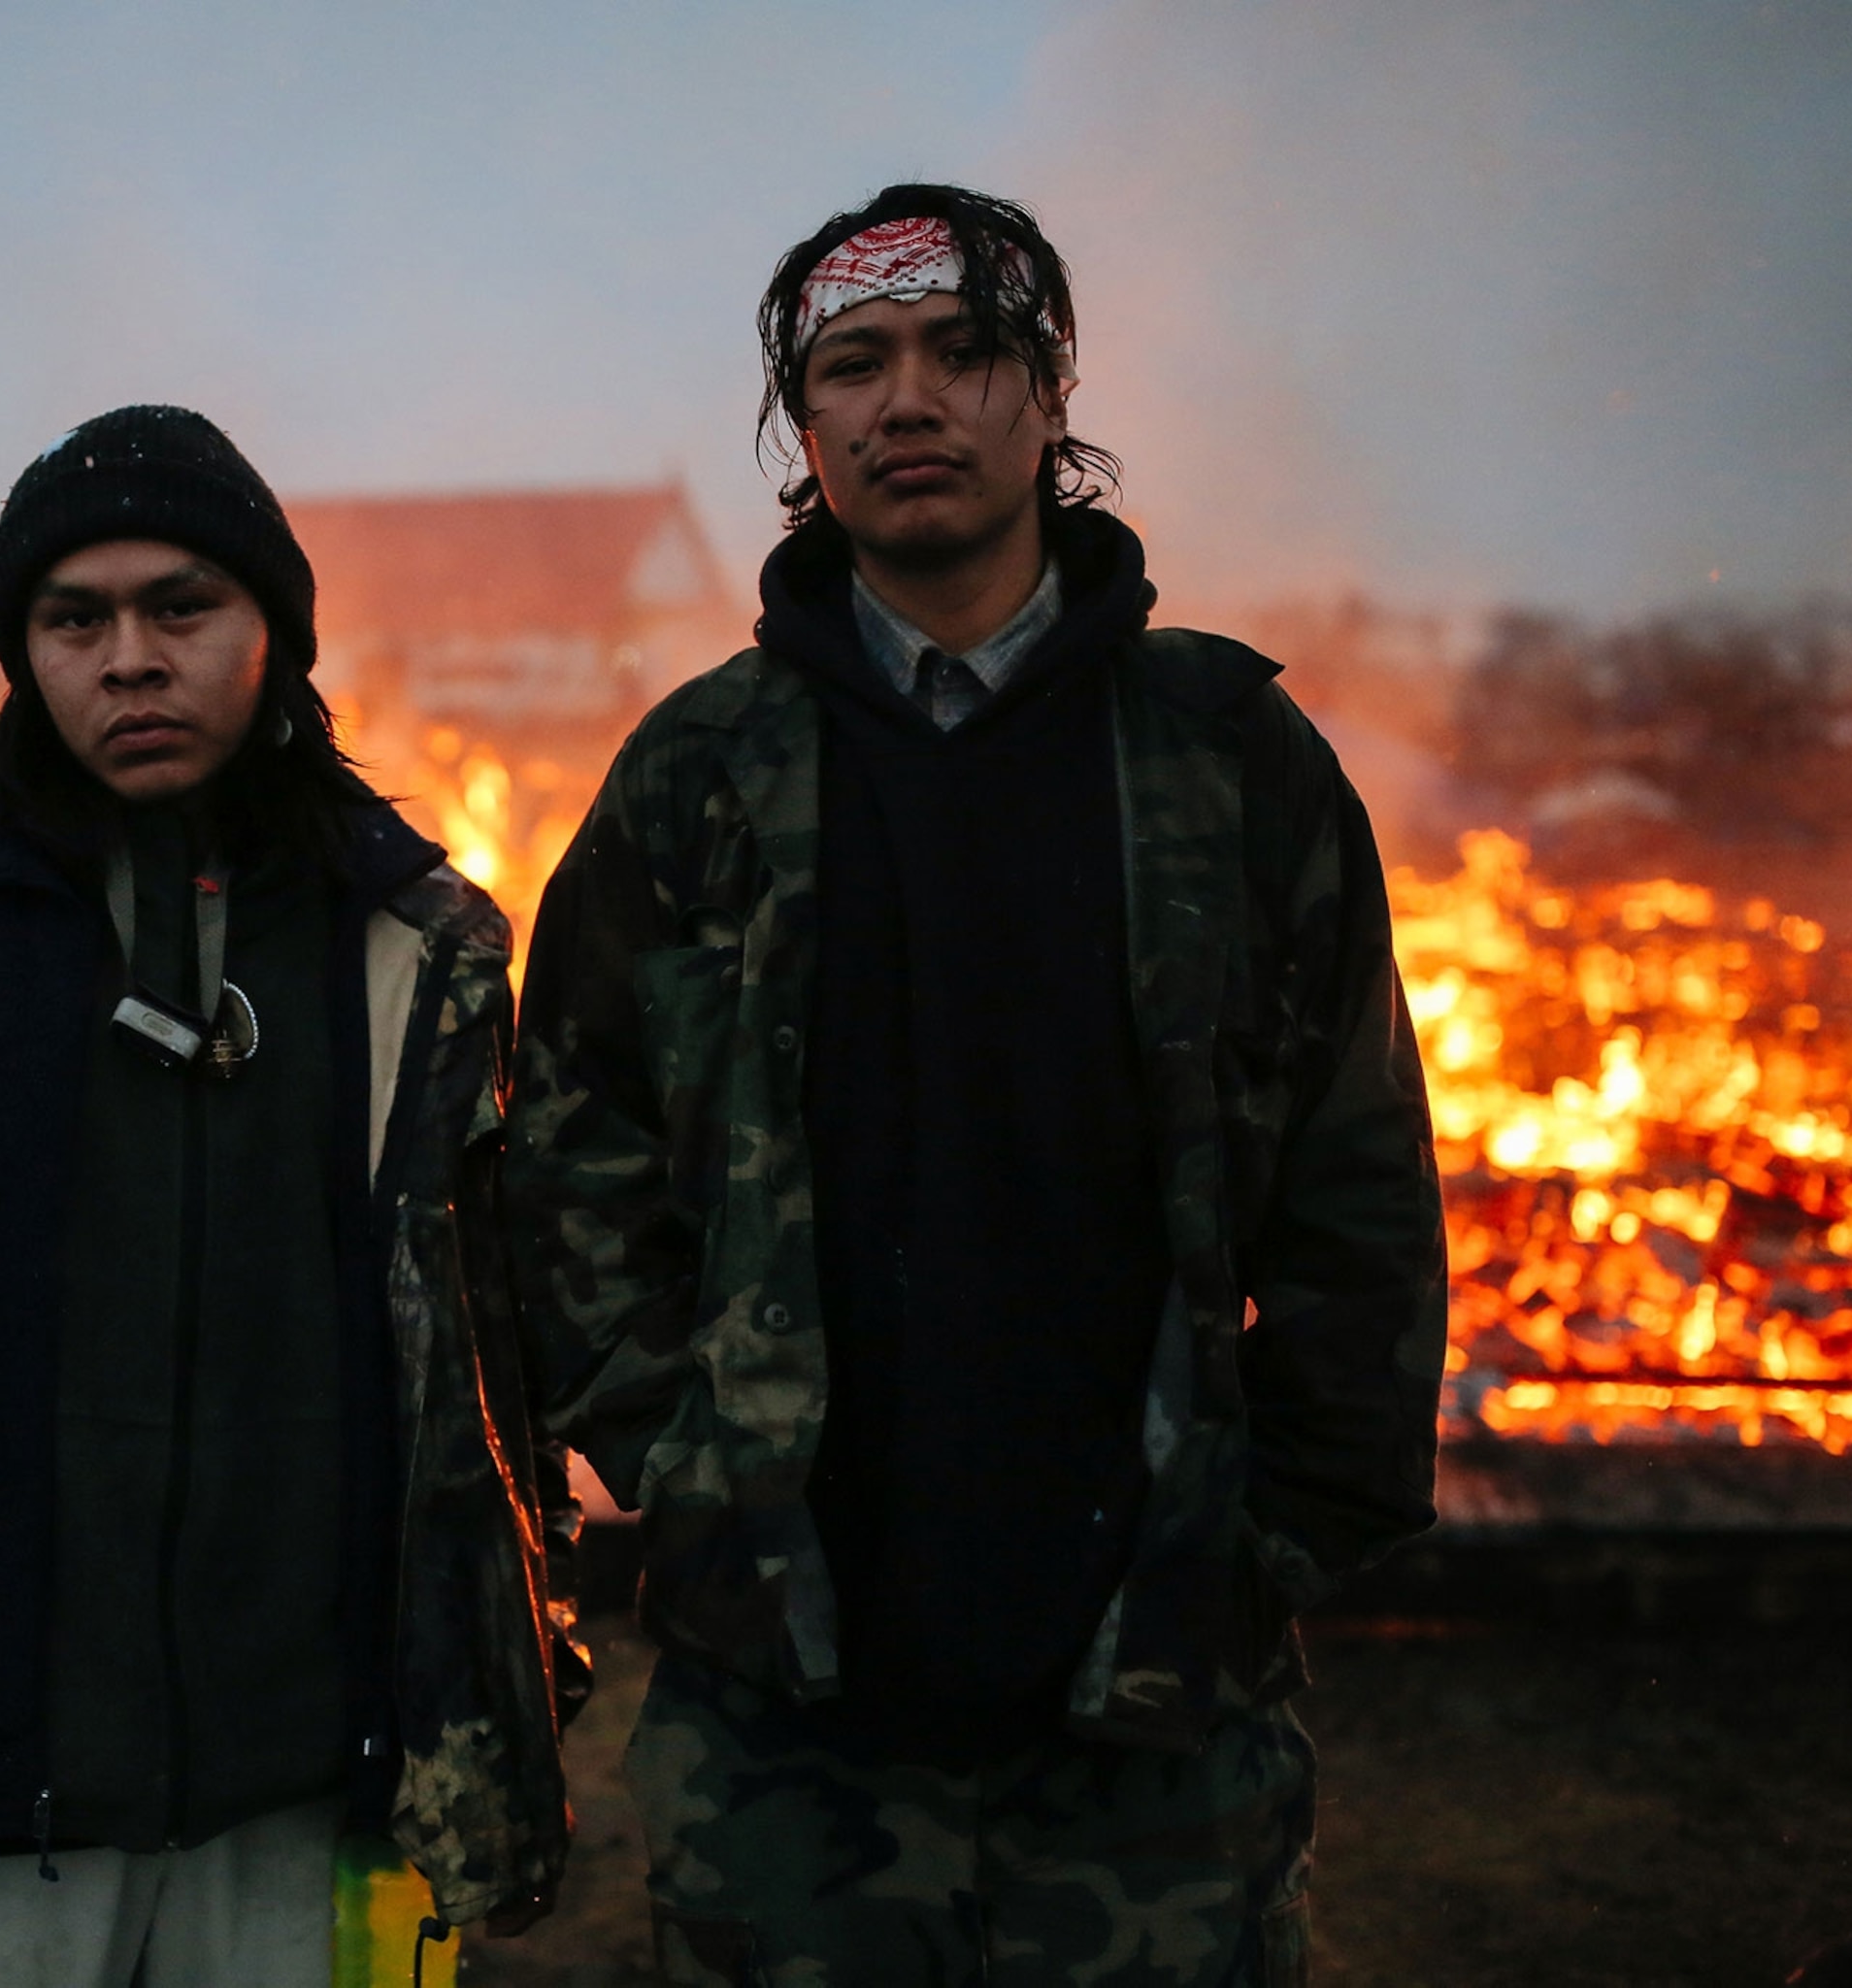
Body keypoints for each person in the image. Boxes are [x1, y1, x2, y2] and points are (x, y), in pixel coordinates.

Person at [506, 184, 1448, 1987]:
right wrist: (687, 1463)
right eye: (850, 365)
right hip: (790, 1701)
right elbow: (570, 1152)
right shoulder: (699, 773)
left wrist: (1282, 1533)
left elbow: (1358, 1172)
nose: (906, 399)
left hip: (1155, 1689)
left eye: (963, 351)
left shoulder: (1224, 760)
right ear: (805, 431)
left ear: (1049, 393)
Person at [0, 405, 577, 1985]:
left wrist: (504, 1698)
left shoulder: (419, 947)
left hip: (330, 1796)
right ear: (23, 652)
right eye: (74, 620)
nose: (129, 660)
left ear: (272, 632)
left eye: (181, 608)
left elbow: (498, 1356)